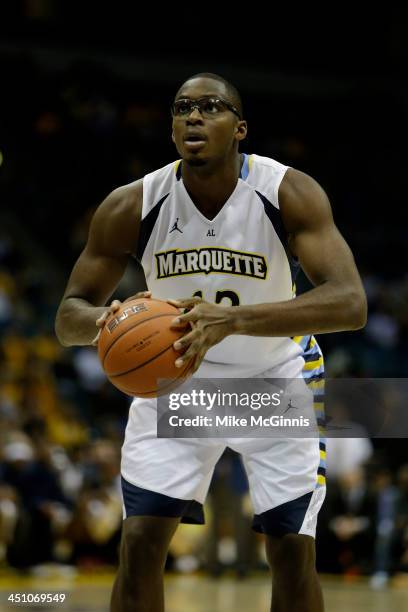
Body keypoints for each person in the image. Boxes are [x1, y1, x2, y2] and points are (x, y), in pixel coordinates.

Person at [55, 72, 367, 612]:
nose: (194, 117)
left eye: (211, 107)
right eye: (182, 109)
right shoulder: (132, 205)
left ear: (240, 128)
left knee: (292, 551)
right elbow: (68, 317)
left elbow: (349, 303)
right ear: (172, 129)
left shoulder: (286, 191)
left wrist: (234, 321)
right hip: (176, 387)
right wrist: (106, 322)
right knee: (139, 544)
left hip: (273, 381)